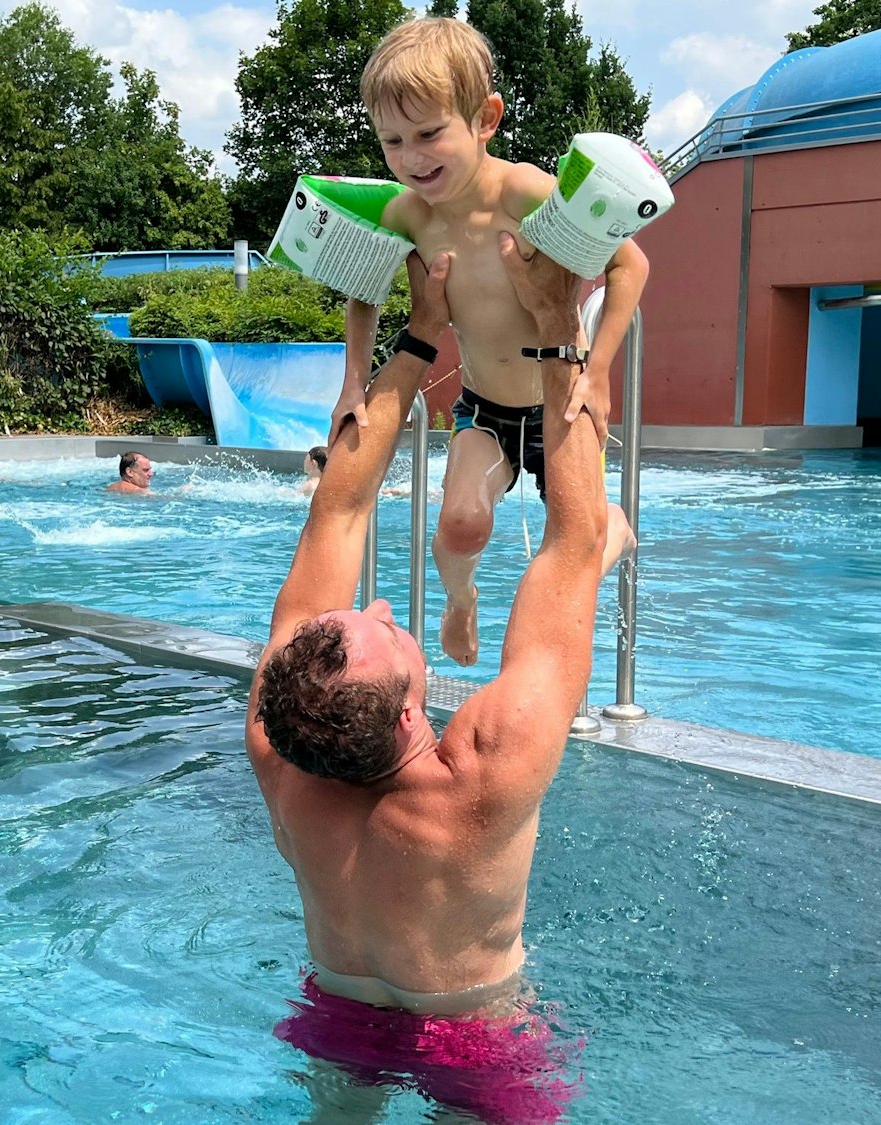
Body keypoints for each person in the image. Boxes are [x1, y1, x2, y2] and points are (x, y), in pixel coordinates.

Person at [249, 244, 632, 1122]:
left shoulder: (279, 749)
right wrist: (555, 330)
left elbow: (337, 508)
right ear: (413, 709)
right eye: (385, 627)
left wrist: (419, 337)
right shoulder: (487, 773)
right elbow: (573, 540)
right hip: (476, 1038)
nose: (379, 602)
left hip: (338, 1017)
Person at [335, 17, 645, 667]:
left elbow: (630, 266)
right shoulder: (406, 216)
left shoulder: (525, 192)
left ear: (485, 119)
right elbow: (362, 288)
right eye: (392, 140)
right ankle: (460, 599)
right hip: (486, 408)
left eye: (428, 134)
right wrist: (351, 383)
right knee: (458, 526)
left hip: (562, 401)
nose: (411, 157)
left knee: (579, 545)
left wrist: (600, 372)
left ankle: (610, 527)